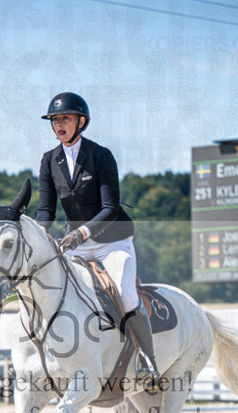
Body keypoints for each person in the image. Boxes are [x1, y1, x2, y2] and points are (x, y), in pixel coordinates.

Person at [35, 92, 157, 381]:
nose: (59, 125)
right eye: (55, 120)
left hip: (112, 242)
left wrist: (82, 232)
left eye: (65, 118)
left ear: (82, 121)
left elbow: (110, 208)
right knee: (51, 290)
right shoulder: (49, 161)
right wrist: (38, 236)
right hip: (74, 245)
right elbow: (45, 211)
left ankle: (147, 361)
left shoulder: (101, 156)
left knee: (125, 294)